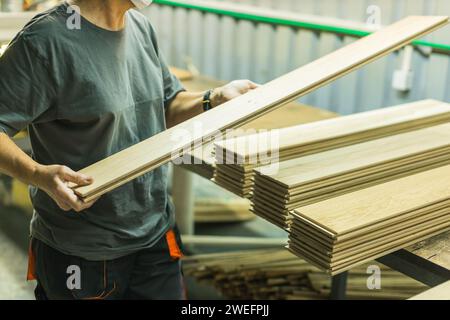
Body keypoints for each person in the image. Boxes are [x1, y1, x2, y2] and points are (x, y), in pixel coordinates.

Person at [0, 0, 258, 300]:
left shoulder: (139, 26)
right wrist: (37, 174)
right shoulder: (45, 42)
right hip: (83, 254)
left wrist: (214, 97)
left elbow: (167, 104)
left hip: (155, 235)